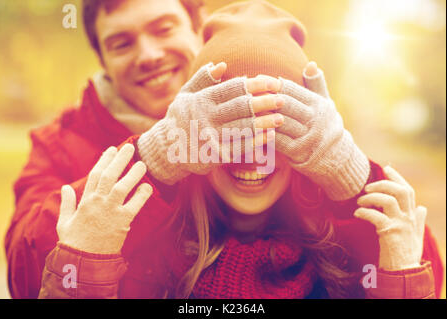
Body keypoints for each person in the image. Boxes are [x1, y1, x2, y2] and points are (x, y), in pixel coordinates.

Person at [38, 1, 443, 299]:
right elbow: (33, 264)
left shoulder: (336, 244)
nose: (254, 153)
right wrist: (155, 158)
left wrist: (353, 178)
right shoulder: (151, 248)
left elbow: (407, 258)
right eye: (231, 123)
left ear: (314, 138)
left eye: (276, 125)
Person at [4, 0, 282, 298]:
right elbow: (25, 274)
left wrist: (339, 179)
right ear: (103, 60)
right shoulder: (59, 143)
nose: (148, 56)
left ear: (198, 25)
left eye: (163, 29)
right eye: (121, 44)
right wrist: (151, 159)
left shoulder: (260, 107)